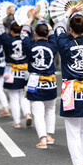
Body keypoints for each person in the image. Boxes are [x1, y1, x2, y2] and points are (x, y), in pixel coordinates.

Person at [54, 3, 83, 165]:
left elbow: (58, 28)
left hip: (70, 90)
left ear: (70, 30)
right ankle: (82, 163)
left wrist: (68, 13)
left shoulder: (64, 44)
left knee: (72, 132)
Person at [21, 9, 57, 149]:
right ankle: (49, 136)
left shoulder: (30, 46)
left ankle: (42, 139)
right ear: (47, 34)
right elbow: (53, 31)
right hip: (51, 83)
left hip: (35, 82)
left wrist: (31, 18)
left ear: (35, 33)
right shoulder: (53, 45)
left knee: (38, 112)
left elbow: (23, 33)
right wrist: (41, 18)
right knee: (50, 110)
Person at [0, 20, 32, 128]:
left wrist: (1, 19)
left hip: (11, 71)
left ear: (11, 31)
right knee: (24, 95)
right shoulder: (26, 39)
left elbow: (0, 30)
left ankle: (17, 122)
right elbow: (27, 28)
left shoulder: (7, 39)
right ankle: (27, 114)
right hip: (25, 71)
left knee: (13, 97)